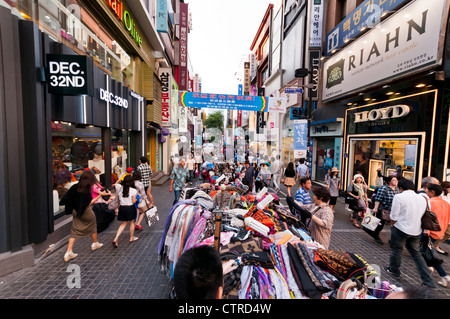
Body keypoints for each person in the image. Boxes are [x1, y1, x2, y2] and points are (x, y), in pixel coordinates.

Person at [383, 179, 436, 288]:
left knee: (396, 250)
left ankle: (394, 270)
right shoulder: (423, 198)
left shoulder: (399, 197)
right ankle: (428, 281)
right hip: (416, 230)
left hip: (400, 228)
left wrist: (393, 225)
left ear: (401, 188)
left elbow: (394, 216)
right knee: (416, 254)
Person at [60, 170, 106, 262]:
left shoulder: (74, 187)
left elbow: (64, 199)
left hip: (75, 212)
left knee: (74, 230)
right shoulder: (87, 190)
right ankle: (95, 243)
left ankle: (68, 252)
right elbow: (89, 203)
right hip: (86, 212)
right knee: (93, 227)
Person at [424, 184, 450, 287]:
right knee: (427, 252)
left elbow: (426, 218)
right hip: (440, 232)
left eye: (427, 190)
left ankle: (444, 275)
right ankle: (431, 267)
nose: (426, 191)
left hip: (429, 232)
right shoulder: (446, 204)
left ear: (432, 192)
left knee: (426, 253)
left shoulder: (430, 202)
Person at [368, 176, 400, 245]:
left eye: (396, 180)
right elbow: (378, 199)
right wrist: (375, 208)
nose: (396, 181)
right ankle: (376, 235)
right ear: (389, 181)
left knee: (394, 225)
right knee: (380, 224)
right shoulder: (383, 188)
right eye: (393, 180)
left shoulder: (397, 189)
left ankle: (392, 240)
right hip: (383, 209)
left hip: (393, 210)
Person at [112, 175, 138, 247]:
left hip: (122, 208)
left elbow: (119, 200)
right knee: (132, 222)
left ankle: (116, 238)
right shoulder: (133, 190)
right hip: (130, 208)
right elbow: (133, 201)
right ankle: (131, 237)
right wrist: (136, 199)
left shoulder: (120, 189)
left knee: (123, 224)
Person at [434, 181, 450, 255]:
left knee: (446, 233)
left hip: (447, 218)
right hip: (443, 218)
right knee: (444, 233)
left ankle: (435, 245)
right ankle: (434, 245)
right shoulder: (441, 195)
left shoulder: (447, 195)